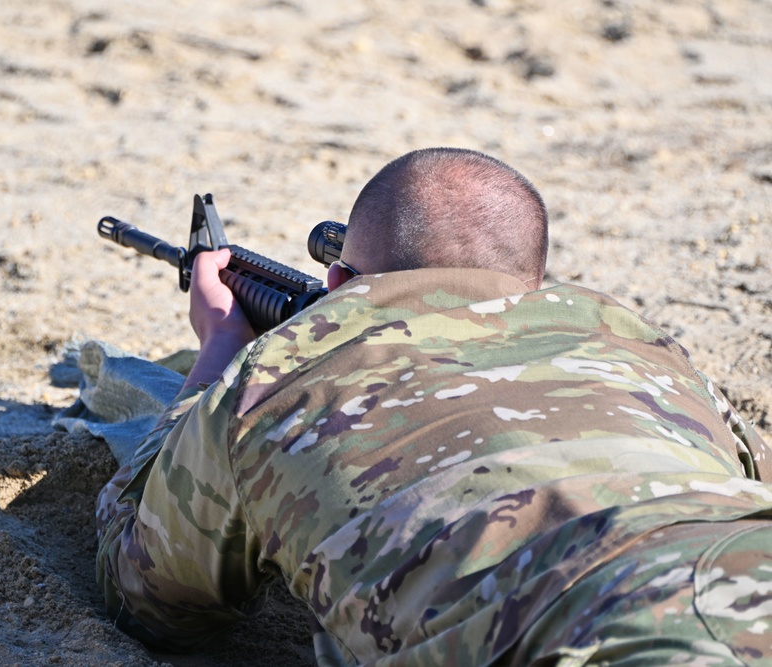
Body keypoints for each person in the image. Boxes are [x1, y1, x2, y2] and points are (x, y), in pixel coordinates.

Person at [95, 147, 772, 666]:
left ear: (337, 283)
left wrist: (221, 351)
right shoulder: (648, 352)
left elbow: (146, 593)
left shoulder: (273, 379)